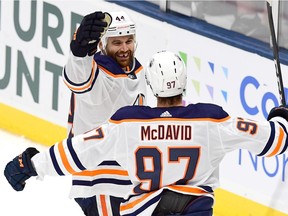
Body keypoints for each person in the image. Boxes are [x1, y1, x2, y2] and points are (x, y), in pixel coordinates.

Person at [4, 50, 288, 215]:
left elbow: (78, 152)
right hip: (193, 207)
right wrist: (281, 119)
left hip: (144, 210)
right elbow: (274, 141)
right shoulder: (211, 119)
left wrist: (30, 165)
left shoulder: (128, 123)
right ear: (185, 82)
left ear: (150, 86)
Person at [63, 11, 146, 215]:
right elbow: (79, 79)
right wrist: (80, 52)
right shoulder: (99, 73)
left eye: (129, 41)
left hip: (124, 176)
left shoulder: (137, 70)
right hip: (99, 179)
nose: (125, 48)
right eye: (116, 43)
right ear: (102, 45)